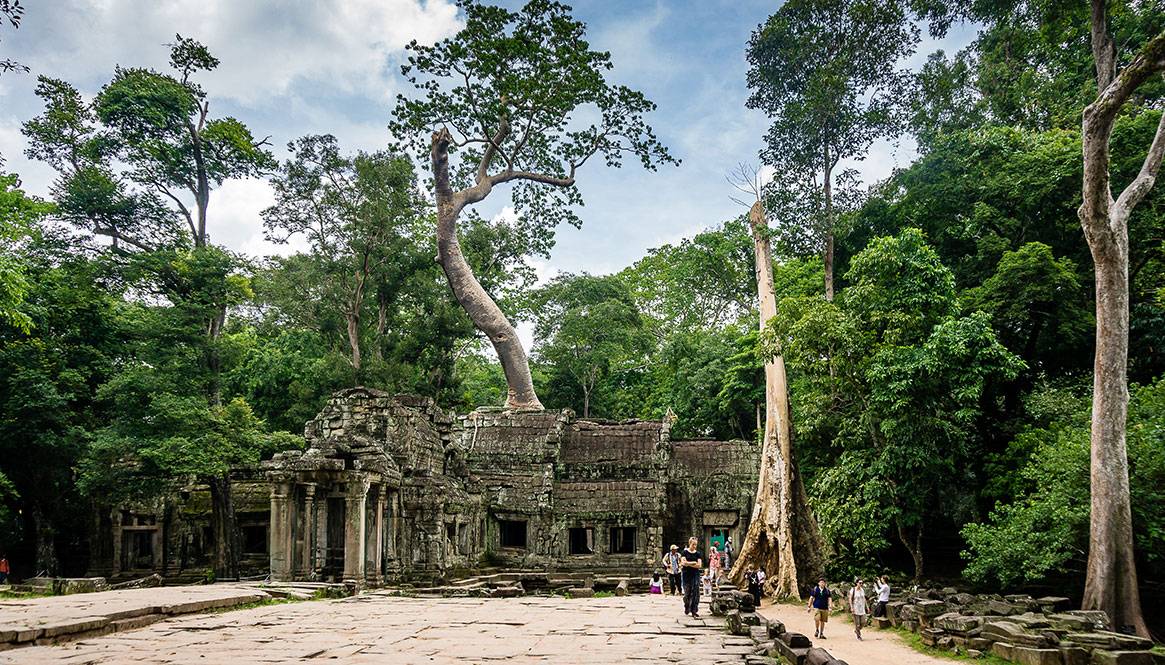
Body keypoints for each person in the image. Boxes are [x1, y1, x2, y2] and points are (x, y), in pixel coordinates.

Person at [680, 536, 704, 618]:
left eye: (696, 545)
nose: (694, 546)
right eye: (693, 544)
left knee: (695, 591)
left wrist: (689, 563)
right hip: (686, 574)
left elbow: (699, 565)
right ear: (690, 543)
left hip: (695, 574)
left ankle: (694, 610)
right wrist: (693, 563)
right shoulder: (684, 552)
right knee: (687, 592)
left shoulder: (698, 554)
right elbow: (683, 563)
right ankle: (687, 606)